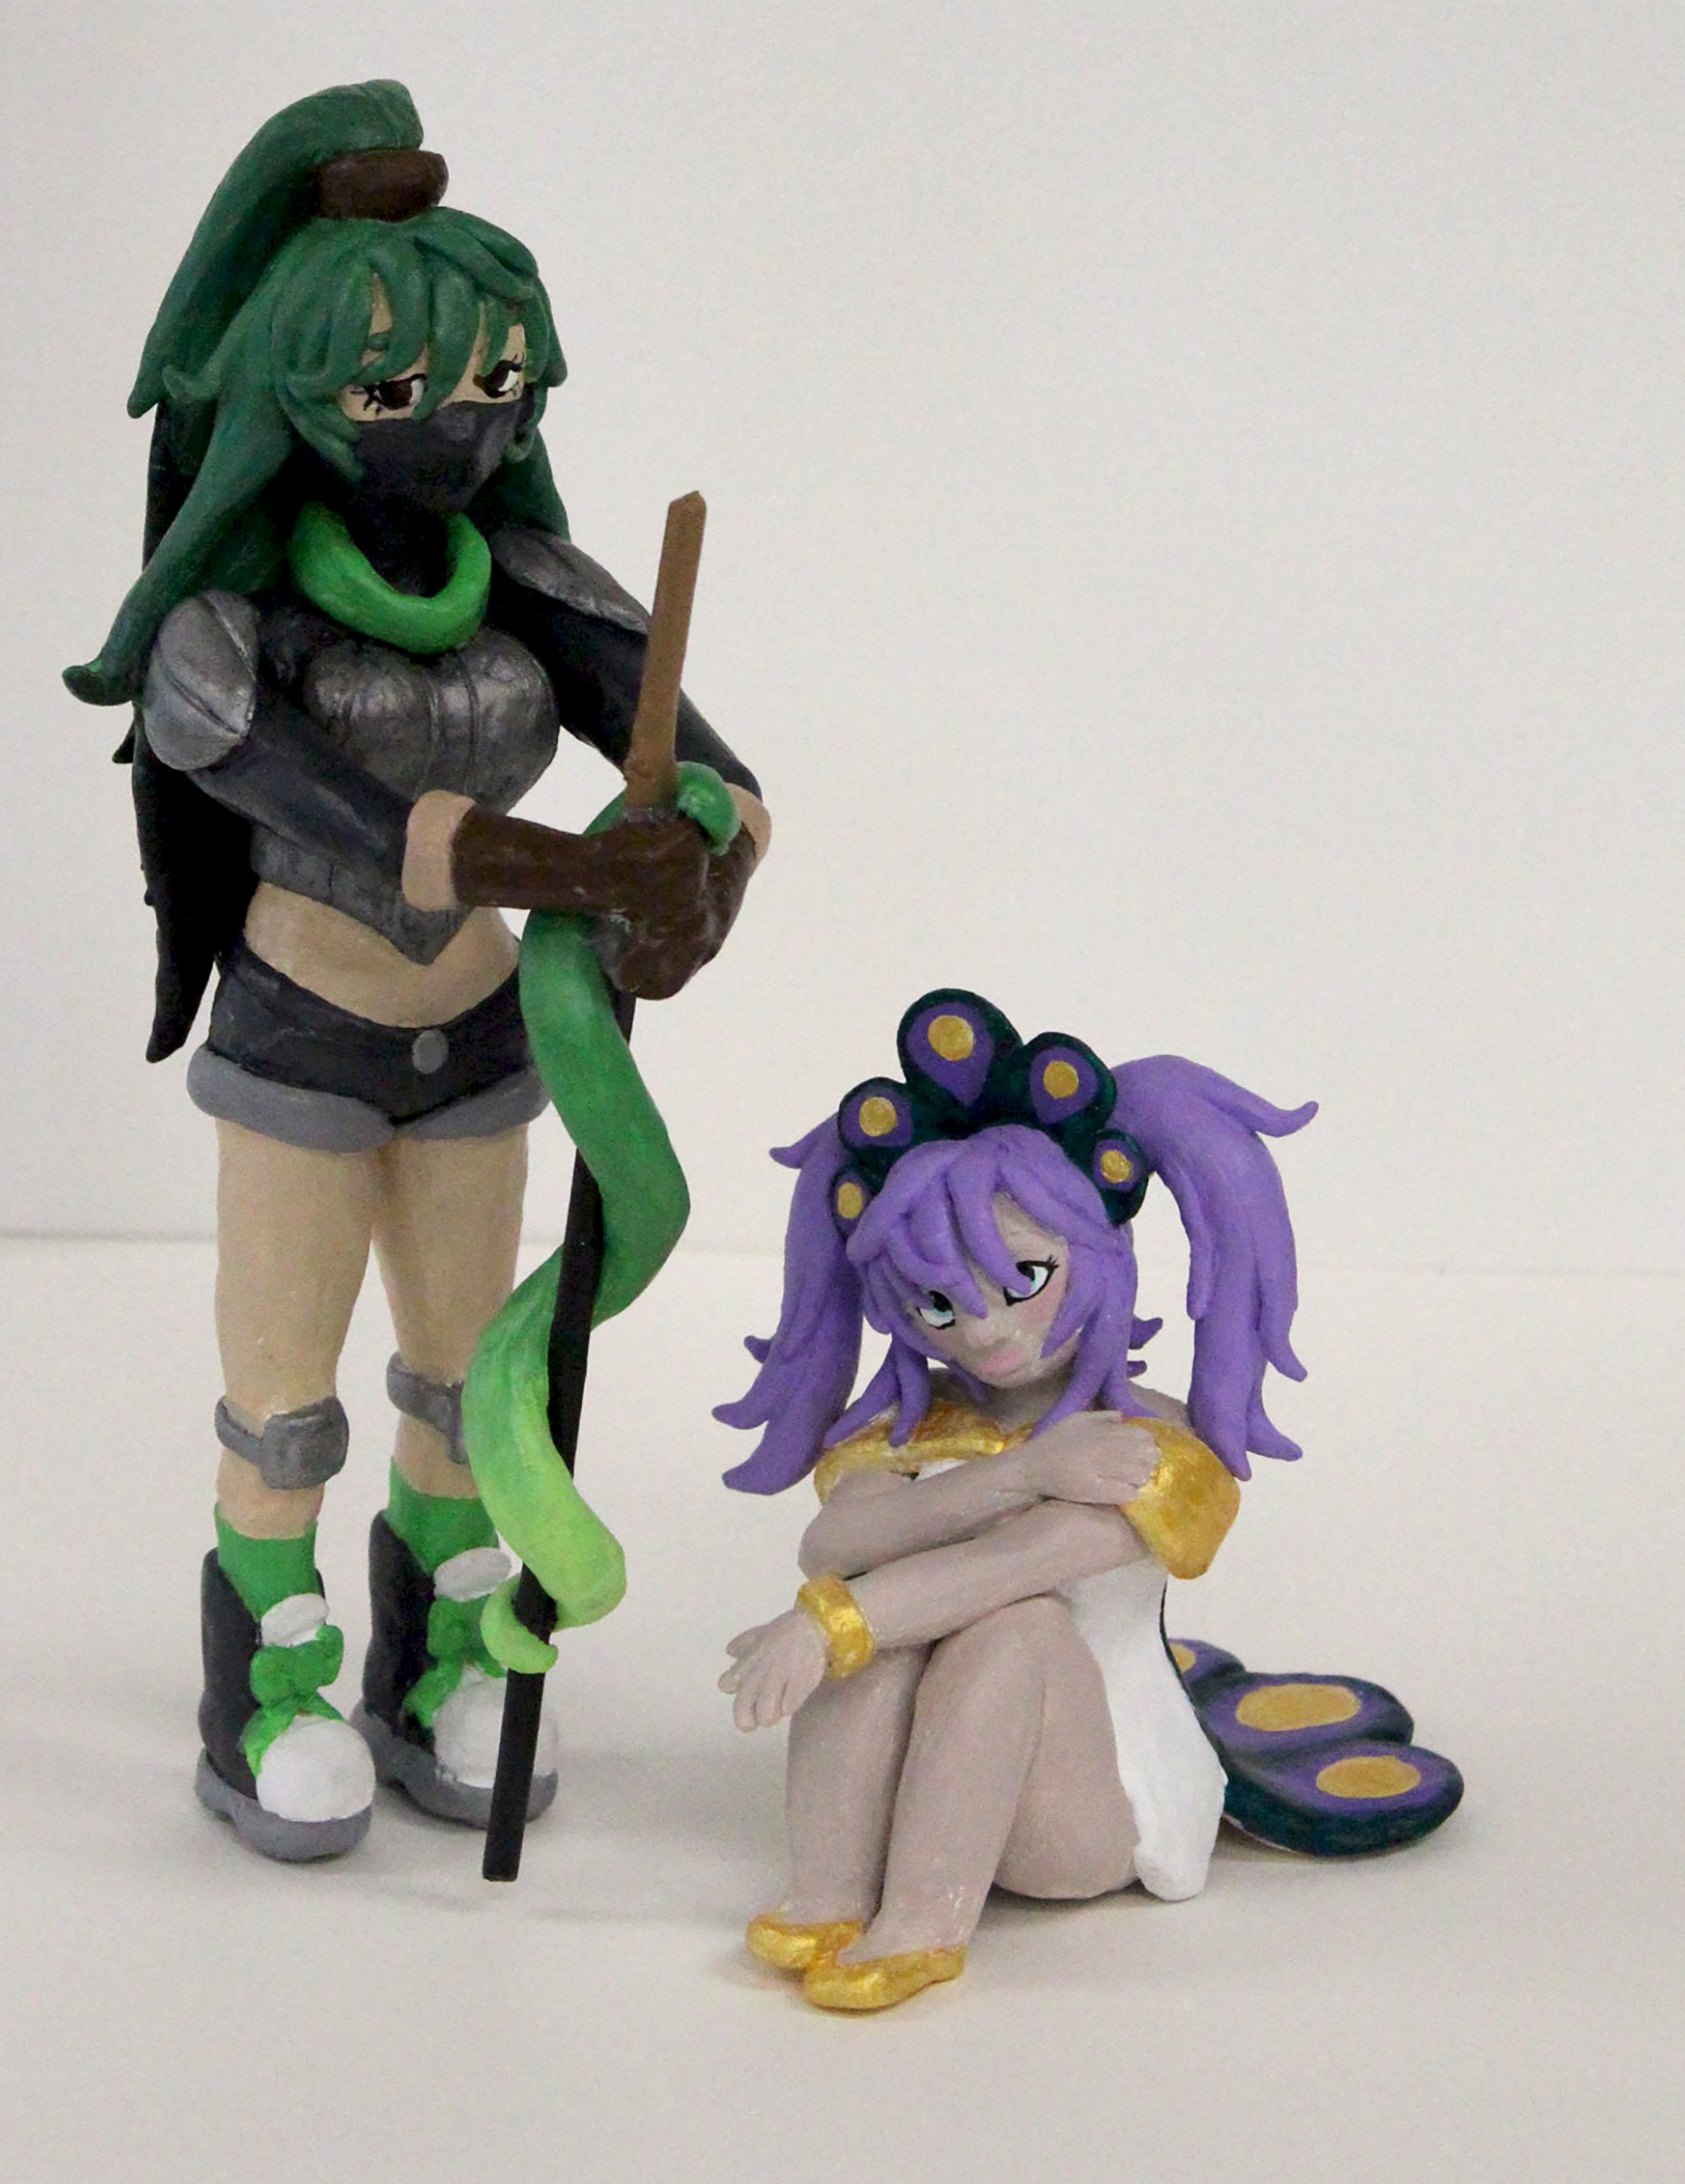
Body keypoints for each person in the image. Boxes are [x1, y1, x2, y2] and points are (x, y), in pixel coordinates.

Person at [65, 82, 770, 1862]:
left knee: (470, 1380)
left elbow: (715, 773)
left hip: (477, 1038)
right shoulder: (224, 628)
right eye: (394, 392)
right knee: (283, 1395)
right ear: (294, 398)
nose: (456, 425)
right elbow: (344, 811)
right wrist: (571, 867)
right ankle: (271, 1682)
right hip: (300, 1036)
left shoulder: (528, 579)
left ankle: (444, 1641)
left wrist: (693, 878)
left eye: (493, 384)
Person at [716, 990, 1310, 2008]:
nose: (984, 1331)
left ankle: (926, 1920)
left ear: (1103, 1259)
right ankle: (829, 1890)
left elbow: (1020, 1563)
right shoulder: (914, 1425)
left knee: (1010, 1629)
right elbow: (835, 1542)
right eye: (937, 1303)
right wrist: (1018, 1473)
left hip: (1087, 1812)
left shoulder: (1153, 1445)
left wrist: (830, 1622)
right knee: (875, 1635)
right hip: (925, 1786)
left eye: (1025, 1276)